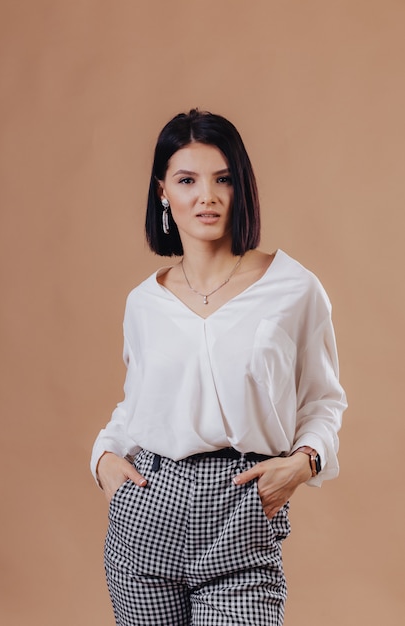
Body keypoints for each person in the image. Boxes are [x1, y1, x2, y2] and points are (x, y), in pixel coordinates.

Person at [90, 109, 347, 626]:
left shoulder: (293, 287)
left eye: (222, 179)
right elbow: (137, 405)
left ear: (241, 187)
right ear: (163, 190)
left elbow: (323, 400)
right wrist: (103, 458)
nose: (206, 196)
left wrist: (304, 463)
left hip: (241, 504)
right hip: (148, 509)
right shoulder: (144, 302)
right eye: (187, 180)